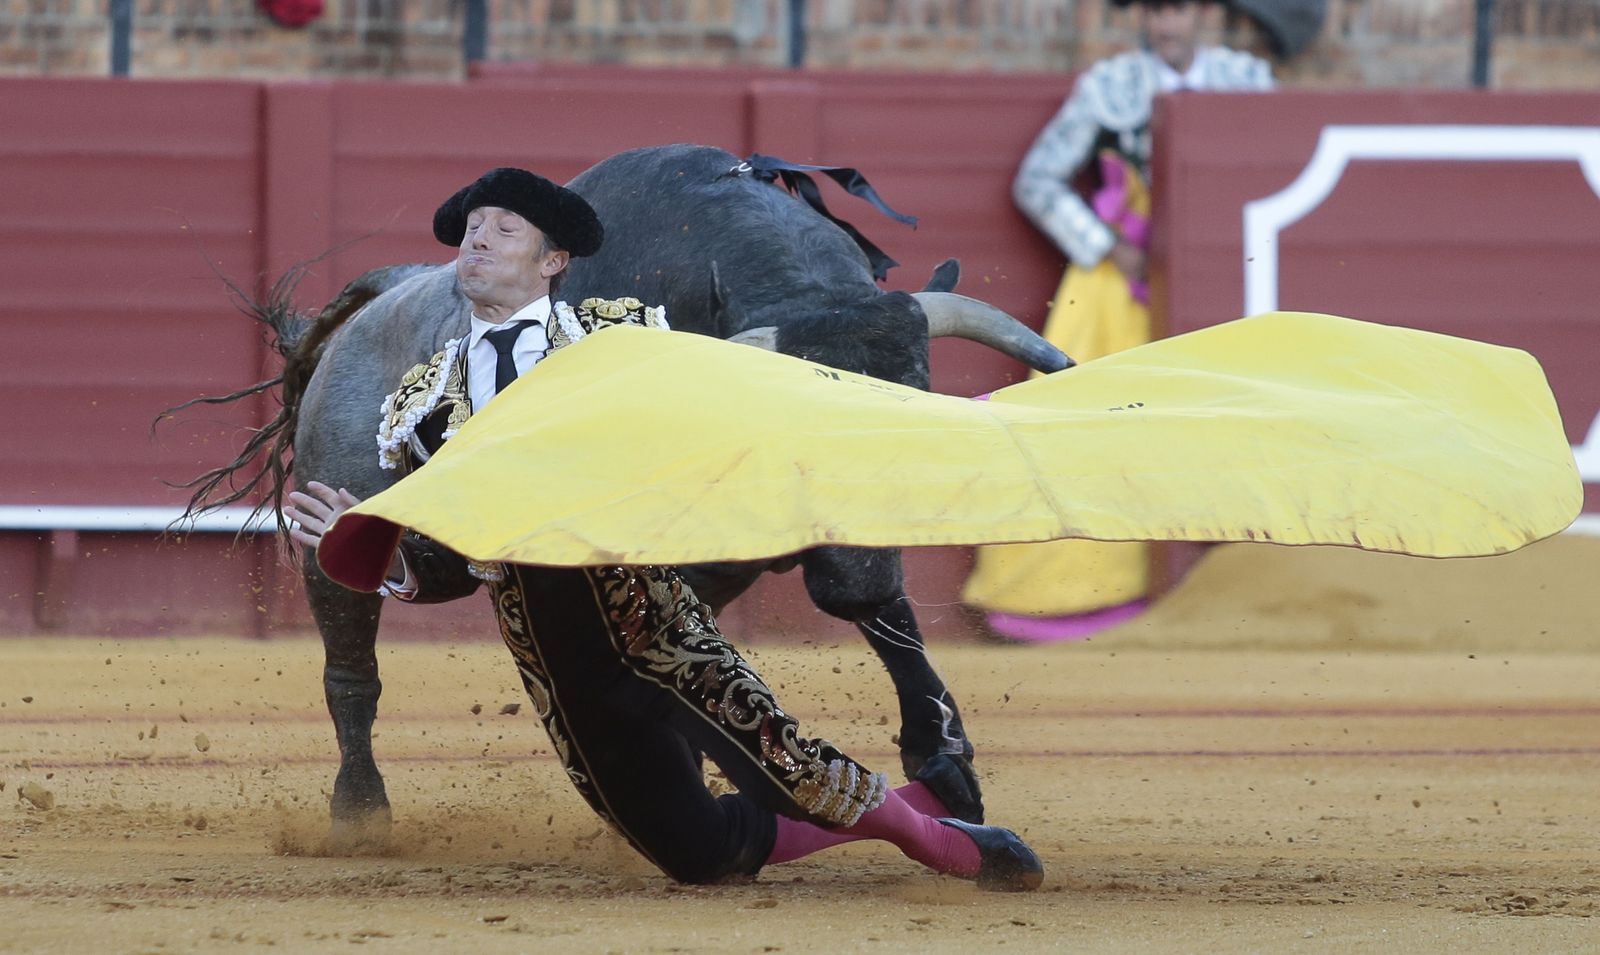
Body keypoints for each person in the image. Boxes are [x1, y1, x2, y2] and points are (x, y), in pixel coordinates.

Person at [285, 167, 1044, 890]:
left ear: (553, 260)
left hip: (647, 625)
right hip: (554, 663)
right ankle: (923, 799)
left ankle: (938, 838)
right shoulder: (423, 404)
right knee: (696, 854)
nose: (476, 240)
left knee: (788, 767)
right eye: (471, 228)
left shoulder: (616, 342)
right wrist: (363, 556)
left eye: (502, 229)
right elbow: (443, 563)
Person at [963, 0, 1273, 642]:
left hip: (1220, 283)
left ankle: (1227, 600)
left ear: (1203, 14)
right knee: (1086, 422)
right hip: (1115, 291)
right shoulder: (1110, 86)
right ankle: (1069, 599)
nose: (1167, 27)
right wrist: (1109, 244)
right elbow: (1038, 181)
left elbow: (1270, 174)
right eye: (1156, 12)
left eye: (1178, 11)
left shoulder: (1248, 83)